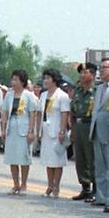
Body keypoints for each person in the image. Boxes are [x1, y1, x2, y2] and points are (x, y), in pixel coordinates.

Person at [1, 69, 39, 195]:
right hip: (12, 126)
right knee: (12, 157)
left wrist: (31, 131)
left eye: (16, 79)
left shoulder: (28, 96)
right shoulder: (9, 95)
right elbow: (5, 112)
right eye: (12, 79)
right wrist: (3, 128)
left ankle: (24, 184)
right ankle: (15, 184)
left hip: (23, 127)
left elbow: (32, 113)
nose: (13, 82)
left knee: (23, 157)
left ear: (22, 81)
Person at [39, 68, 71, 197]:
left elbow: (64, 114)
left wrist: (62, 130)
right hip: (46, 129)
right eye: (44, 78)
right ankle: (49, 185)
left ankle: (56, 186)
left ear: (54, 80)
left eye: (48, 78)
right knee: (48, 160)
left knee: (57, 160)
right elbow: (40, 113)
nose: (45, 81)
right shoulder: (43, 95)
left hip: (57, 130)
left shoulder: (62, 96)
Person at [91, 58, 109, 211]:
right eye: (100, 68)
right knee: (100, 167)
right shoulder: (100, 88)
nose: (101, 71)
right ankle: (100, 196)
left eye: (104, 68)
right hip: (96, 129)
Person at [70, 62, 97, 201]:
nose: (81, 75)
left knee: (91, 158)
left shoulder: (97, 91)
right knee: (80, 159)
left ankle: (96, 189)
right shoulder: (78, 91)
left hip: (90, 126)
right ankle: (85, 187)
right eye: (80, 72)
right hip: (79, 125)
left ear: (92, 75)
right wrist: (73, 130)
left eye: (85, 72)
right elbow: (72, 112)